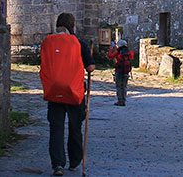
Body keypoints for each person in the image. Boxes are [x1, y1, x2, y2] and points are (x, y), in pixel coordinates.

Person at [43, 13, 95, 176]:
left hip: (54, 92)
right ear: (72, 26)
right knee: (75, 127)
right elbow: (90, 67)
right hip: (74, 92)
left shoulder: (48, 42)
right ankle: (74, 161)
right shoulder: (79, 43)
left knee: (56, 128)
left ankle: (57, 164)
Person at [107, 39, 134, 106]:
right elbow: (132, 57)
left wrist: (111, 49)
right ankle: (124, 100)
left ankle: (120, 101)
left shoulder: (118, 52)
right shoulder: (129, 52)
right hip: (126, 71)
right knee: (124, 86)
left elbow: (110, 56)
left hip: (119, 70)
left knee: (119, 86)